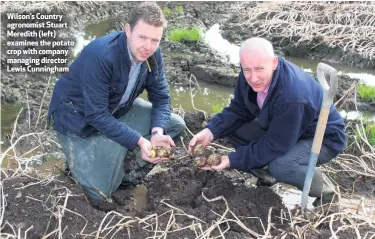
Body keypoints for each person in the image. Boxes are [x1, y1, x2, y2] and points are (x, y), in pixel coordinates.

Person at [48, 2, 186, 202]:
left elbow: (161, 97)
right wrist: (139, 141)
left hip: (117, 109)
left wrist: (157, 133)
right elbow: (95, 115)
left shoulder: (153, 54)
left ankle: (125, 172)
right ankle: (82, 159)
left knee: (174, 125)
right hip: (77, 120)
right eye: (142, 37)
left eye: (155, 40)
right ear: (128, 30)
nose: (148, 46)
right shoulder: (101, 55)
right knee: (101, 195)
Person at [189, 37, 346, 206]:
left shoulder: (293, 96)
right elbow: (238, 109)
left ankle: (327, 193)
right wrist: (211, 131)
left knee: (281, 166)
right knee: (233, 128)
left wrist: (231, 159)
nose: (253, 77)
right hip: (286, 128)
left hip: (321, 137)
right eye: (247, 69)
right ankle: (267, 176)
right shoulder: (248, 75)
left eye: (259, 69)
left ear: (274, 63)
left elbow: (276, 144)